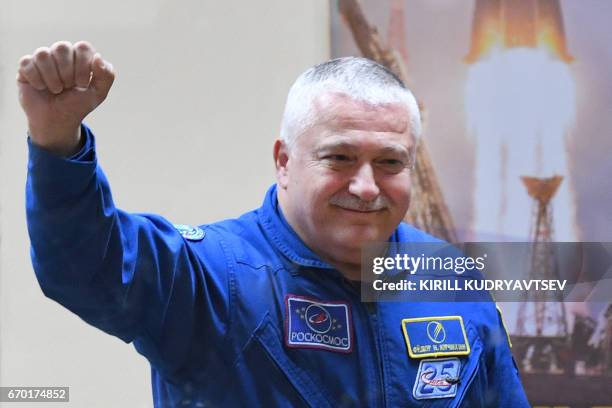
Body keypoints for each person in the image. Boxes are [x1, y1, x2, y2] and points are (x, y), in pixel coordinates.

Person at [19, 41, 529, 407]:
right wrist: (57, 139)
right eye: (340, 157)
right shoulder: (210, 276)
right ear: (284, 161)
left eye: (390, 163)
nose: (367, 187)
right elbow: (83, 267)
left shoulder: (448, 277)